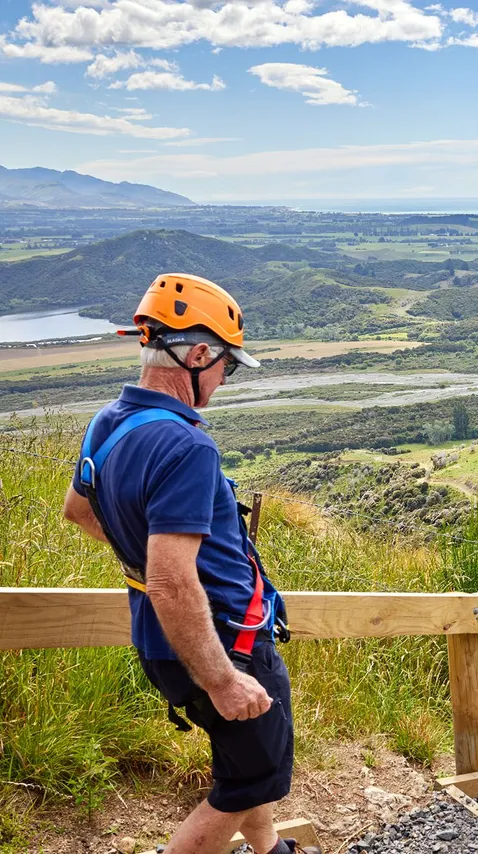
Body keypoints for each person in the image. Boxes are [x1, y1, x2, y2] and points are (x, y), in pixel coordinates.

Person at [62, 274, 314, 854]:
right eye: (225, 364)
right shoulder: (187, 446)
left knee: (247, 761)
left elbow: (79, 510)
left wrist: (142, 553)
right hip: (224, 641)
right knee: (252, 776)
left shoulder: (108, 422)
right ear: (197, 354)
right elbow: (172, 579)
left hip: (161, 639)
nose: (224, 379)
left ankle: (270, 850)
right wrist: (223, 679)